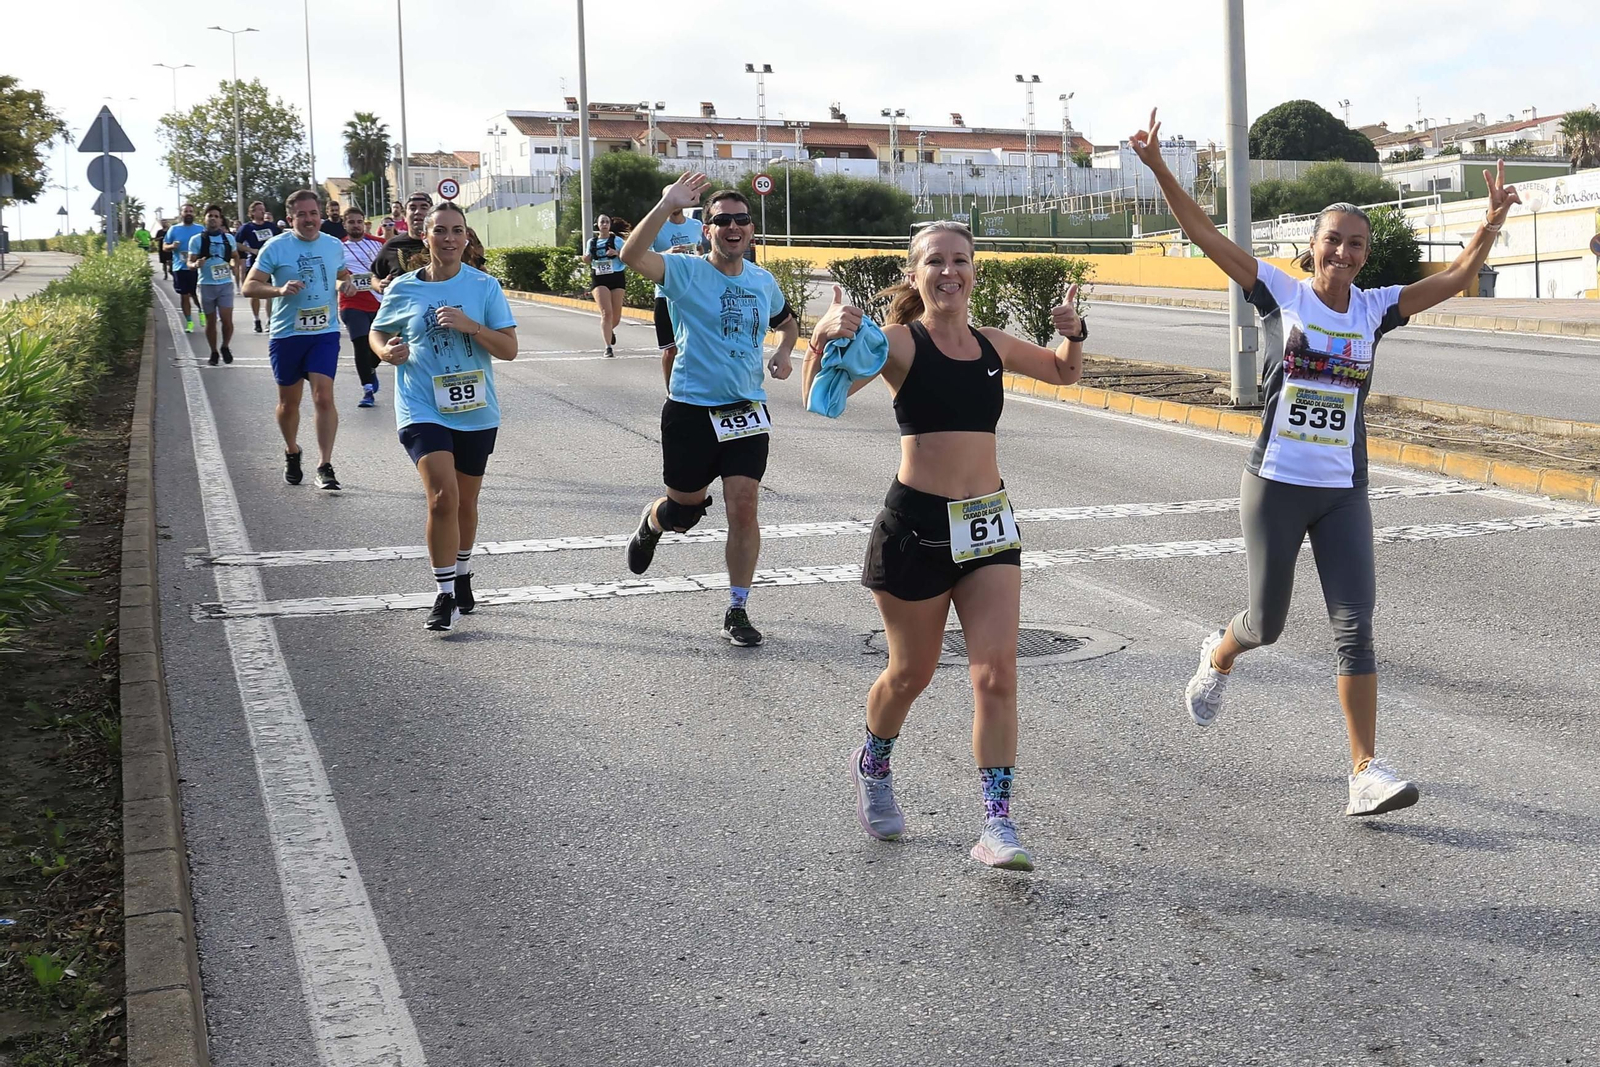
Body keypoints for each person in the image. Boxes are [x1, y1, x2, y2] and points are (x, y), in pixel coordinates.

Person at [1120, 110, 1525, 817]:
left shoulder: (1375, 309)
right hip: (1275, 484)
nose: (1345, 252)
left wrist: (1489, 223)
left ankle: (1364, 769)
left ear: (1367, 255)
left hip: (1342, 490)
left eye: (1357, 245)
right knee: (1266, 624)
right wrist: (1158, 167)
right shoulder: (1282, 291)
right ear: (1311, 247)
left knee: (1355, 625)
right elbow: (1204, 235)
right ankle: (1219, 652)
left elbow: (1460, 278)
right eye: (1333, 241)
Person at [806, 223, 1086, 872]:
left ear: (975, 273)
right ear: (915, 274)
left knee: (996, 674)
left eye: (961, 260)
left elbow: (1065, 372)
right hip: (915, 531)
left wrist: (1072, 331)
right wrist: (822, 338)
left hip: (987, 526)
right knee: (912, 673)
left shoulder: (993, 345)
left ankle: (998, 823)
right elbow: (822, 400)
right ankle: (872, 762)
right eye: (936, 261)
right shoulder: (899, 343)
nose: (950, 270)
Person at [619, 173, 800, 647]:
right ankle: (654, 521)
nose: (733, 227)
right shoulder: (686, 272)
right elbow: (631, 257)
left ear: (752, 230)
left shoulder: (763, 280)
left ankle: (737, 609)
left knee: (744, 507)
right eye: (722, 220)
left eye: (741, 220)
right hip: (692, 411)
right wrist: (665, 204)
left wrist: (784, 350)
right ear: (707, 229)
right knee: (684, 513)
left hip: (746, 409)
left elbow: (788, 321)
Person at [369, 201, 518, 632]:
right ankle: (444, 592)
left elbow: (508, 350)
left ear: (467, 237)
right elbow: (379, 331)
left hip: (475, 408)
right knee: (442, 497)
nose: (449, 239)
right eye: (441, 231)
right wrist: (385, 351)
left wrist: (471, 326)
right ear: (426, 237)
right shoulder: (403, 288)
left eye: (457, 231)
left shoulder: (484, 286)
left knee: (466, 501)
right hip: (421, 403)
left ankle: (464, 570)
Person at [241, 189, 357, 491]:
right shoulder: (275, 247)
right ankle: (292, 450)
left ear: (320, 215)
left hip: (324, 333)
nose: (309, 219)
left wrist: (345, 284)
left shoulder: (333, 245)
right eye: (302, 215)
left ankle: (325, 465)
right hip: (287, 334)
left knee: (323, 396)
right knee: (288, 404)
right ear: (291, 218)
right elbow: (249, 286)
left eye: (313, 213)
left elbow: (342, 274)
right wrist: (278, 291)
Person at [649, 202, 705, 385]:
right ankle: (670, 392)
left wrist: (698, 253)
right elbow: (643, 256)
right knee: (670, 349)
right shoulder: (656, 227)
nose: (675, 203)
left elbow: (701, 250)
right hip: (665, 293)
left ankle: (693, 390)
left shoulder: (695, 225)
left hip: (691, 292)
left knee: (694, 347)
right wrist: (667, 253)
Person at [339, 205, 386, 408]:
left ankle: (371, 368)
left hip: (380, 302)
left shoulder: (379, 244)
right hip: (352, 302)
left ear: (364, 223)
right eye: (351, 222)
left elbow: (390, 266)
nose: (356, 225)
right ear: (344, 224)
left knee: (377, 348)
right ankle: (367, 389)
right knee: (360, 344)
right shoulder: (337, 247)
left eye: (359, 221)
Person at [187, 205, 239, 366]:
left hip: (225, 284)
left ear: (221, 220)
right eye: (210, 216)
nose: (213, 219)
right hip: (206, 285)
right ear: (205, 219)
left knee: (226, 320)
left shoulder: (228, 239)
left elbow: (235, 256)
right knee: (211, 321)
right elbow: (189, 262)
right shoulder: (197, 240)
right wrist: (196, 264)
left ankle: (225, 346)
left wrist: (233, 266)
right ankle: (214, 352)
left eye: (216, 216)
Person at [235, 201, 285, 333]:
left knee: (269, 292)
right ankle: (257, 319)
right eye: (259, 210)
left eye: (263, 210)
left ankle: (270, 321)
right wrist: (251, 250)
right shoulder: (246, 228)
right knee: (255, 293)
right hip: (255, 262)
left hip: (271, 263)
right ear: (252, 213)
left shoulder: (271, 226)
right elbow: (237, 244)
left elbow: (280, 240)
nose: (262, 212)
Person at [582, 215, 627, 357]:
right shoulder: (592, 242)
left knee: (616, 316)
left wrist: (617, 253)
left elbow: (629, 256)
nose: (605, 224)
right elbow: (586, 258)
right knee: (606, 313)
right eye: (602, 222)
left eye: (607, 222)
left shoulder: (617, 241)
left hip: (616, 276)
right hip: (599, 278)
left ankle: (609, 330)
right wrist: (586, 259)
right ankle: (608, 347)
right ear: (597, 225)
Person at [372, 191, 431, 293]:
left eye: (424, 207)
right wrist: (379, 285)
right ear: (404, 215)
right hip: (403, 307)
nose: (418, 211)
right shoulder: (392, 245)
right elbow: (374, 277)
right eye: (412, 208)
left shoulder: (442, 242)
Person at [163, 205, 204, 333]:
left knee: (196, 294)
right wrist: (171, 246)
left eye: (191, 211)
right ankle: (189, 322)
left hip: (197, 267)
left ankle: (202, 312)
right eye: (186, 211)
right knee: (184, 295)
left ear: (194, 214)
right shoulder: (174, 229)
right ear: (181, 213)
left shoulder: (200, 229)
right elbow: (164, 246)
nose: (188, 213)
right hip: (180, 267)